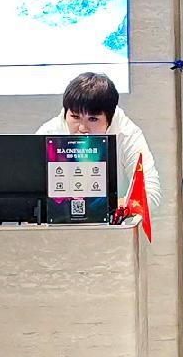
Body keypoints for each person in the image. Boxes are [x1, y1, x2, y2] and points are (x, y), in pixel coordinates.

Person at [42, 71, 154, 237]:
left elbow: (150, 193)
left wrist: (111, 207)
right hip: (58, 234)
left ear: (109, 119)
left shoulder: (127, 134)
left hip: (111, 234)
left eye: (93, 119)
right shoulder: (49, 133)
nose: (82, 128)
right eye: (75, 117)